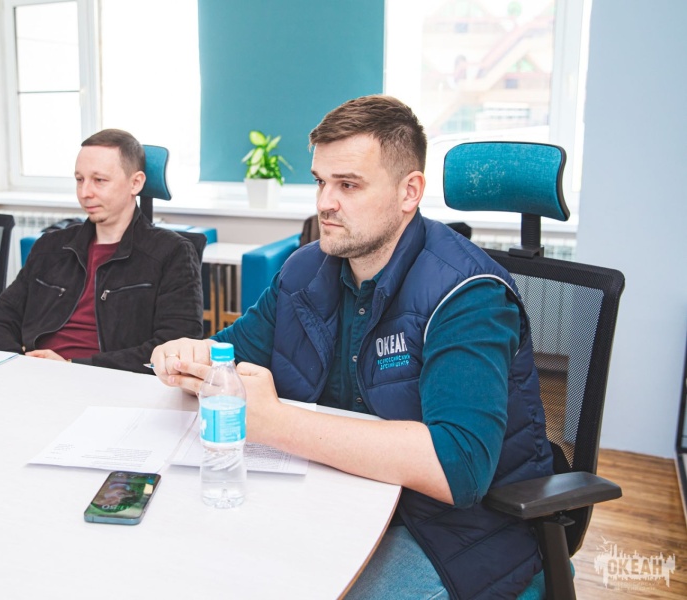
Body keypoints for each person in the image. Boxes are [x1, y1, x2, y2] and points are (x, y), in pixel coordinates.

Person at [151, 96, 554, 599]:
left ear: (409, 192)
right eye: (320, 182)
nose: (324, 202)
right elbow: (231, 353)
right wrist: (188, 354)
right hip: (336, 496)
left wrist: (276, 423)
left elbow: (460, 466)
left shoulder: (468, 294)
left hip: (452, 534)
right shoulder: (304, 270)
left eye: (348, 185)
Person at [0, 128, 203, 374]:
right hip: (32, 375)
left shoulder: (172, 253)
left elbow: (174, 350)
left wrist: (72, 367)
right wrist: (18, 363)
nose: (85, 193)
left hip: (109, 382)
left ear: (135, 183)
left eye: (99, 180)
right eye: (79, 179)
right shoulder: (50, 247)